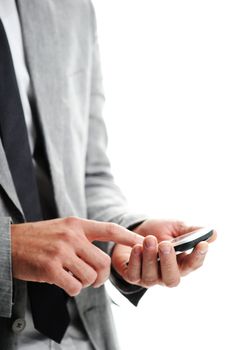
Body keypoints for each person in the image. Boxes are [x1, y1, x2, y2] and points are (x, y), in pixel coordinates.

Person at [0, 1, 216, 349]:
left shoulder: (72, 9)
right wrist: (8, 249)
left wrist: (124, 235)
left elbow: (88, 173)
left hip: (83, 332)